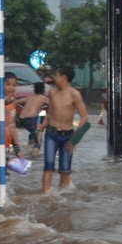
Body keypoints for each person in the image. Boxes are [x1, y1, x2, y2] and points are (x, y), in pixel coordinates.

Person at [37, 66, 89, 194]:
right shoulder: (52, 92)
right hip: (51, 134)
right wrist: (41, 128)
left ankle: (63, 199)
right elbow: (49, 113)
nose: (54, 77)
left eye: (56, 75)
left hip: (68, 136)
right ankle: (45, 196)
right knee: (48, 166)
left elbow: (85, 118)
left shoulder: (74, 94)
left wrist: (75, 139)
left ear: (63, 78)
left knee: (65, 171)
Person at [0, 72, 23, 197]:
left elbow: (13, 127)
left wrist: (17, 149)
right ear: (1, 85)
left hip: (6, 143)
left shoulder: (13, 104)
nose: (12, 88)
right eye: (8, 84)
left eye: (14, 85)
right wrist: (12, 100)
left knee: (3, 175)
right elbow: (1, 102)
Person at [16, 82, 48, 157]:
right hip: (31, 119)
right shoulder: (43, 98)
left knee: (33, 133)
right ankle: (34, 157)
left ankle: (29, 148)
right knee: (39, 137)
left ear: (34, 90)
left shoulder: (29, 97)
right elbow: (54, 105)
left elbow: (16, 102)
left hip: (21, 119)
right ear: (43, 90)